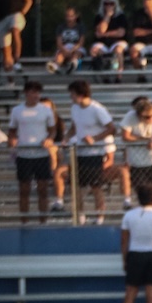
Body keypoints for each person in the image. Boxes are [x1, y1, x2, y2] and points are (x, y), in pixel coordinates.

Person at [9, 81, 59, 223]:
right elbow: (12, 131)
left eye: (38, 92)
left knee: (42, 190)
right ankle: (24, 221)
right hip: (24, 155)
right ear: (26, 93)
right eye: (33, 92)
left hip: (41, 154)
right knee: (24, 190)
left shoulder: (46, 110)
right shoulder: (17, 111)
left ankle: (43, 221)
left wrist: (49, 139)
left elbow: (53, 130)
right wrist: (12, 140)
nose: (36, 95)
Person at [67, 80, 117, 225]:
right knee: (78, 188)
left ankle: (99, 216)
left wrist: (95, 138)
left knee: (96, 187)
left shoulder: (97, 109)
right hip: (79, 153)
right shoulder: (74, 108)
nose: (71, 97)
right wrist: (65, 138)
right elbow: (74, 127)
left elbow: (112, 128)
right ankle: (80, 216)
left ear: (81, 94)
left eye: (73, 94)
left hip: (95, 153)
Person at [117, 98, 152, 208]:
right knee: (141, 190)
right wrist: (145, 140)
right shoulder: (130, 117)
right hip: (135, 162)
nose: (151, 118)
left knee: (150, 190)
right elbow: (126, 136)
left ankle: (151, 210)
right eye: (147, 117)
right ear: (139, 115)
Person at [89, 0, 130, 81]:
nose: (109, 6)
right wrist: (107, 16)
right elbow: (100, 30)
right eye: (106, 4)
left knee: (118, 49)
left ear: (115, 4)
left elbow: (121, 33)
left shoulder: (121, 16)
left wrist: (104, 34)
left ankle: (118, 76)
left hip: (118, 42)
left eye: (111, 3)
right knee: (95, 50)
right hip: (103, 43)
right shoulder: (99, 17)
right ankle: (104, 77)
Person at [47, 7, 87, 74]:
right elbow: (59, 43)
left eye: (71, 16)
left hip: (76, 47)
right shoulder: (61, 27)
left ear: (76, 16)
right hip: (64, 47)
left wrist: (72, 50)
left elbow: (81, 42)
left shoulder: (80, 27)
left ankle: (73, 65)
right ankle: (56, 67)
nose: (69, 18)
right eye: (67, 16)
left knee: (76, 54)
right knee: (60, 55)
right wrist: (64, 50)